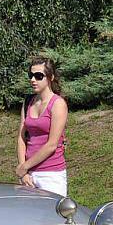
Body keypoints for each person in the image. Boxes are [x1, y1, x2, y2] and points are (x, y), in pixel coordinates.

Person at [15, 56, 68, 196]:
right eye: (31, 75)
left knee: (52, 217)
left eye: (38, 76)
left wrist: (24, 166)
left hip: (51, 175)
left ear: (50, 77)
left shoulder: (58, 104)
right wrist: (24, 171)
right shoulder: (28, 102)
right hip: (29, 174)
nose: (33, 79)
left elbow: (52, 145)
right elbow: (21, 137)